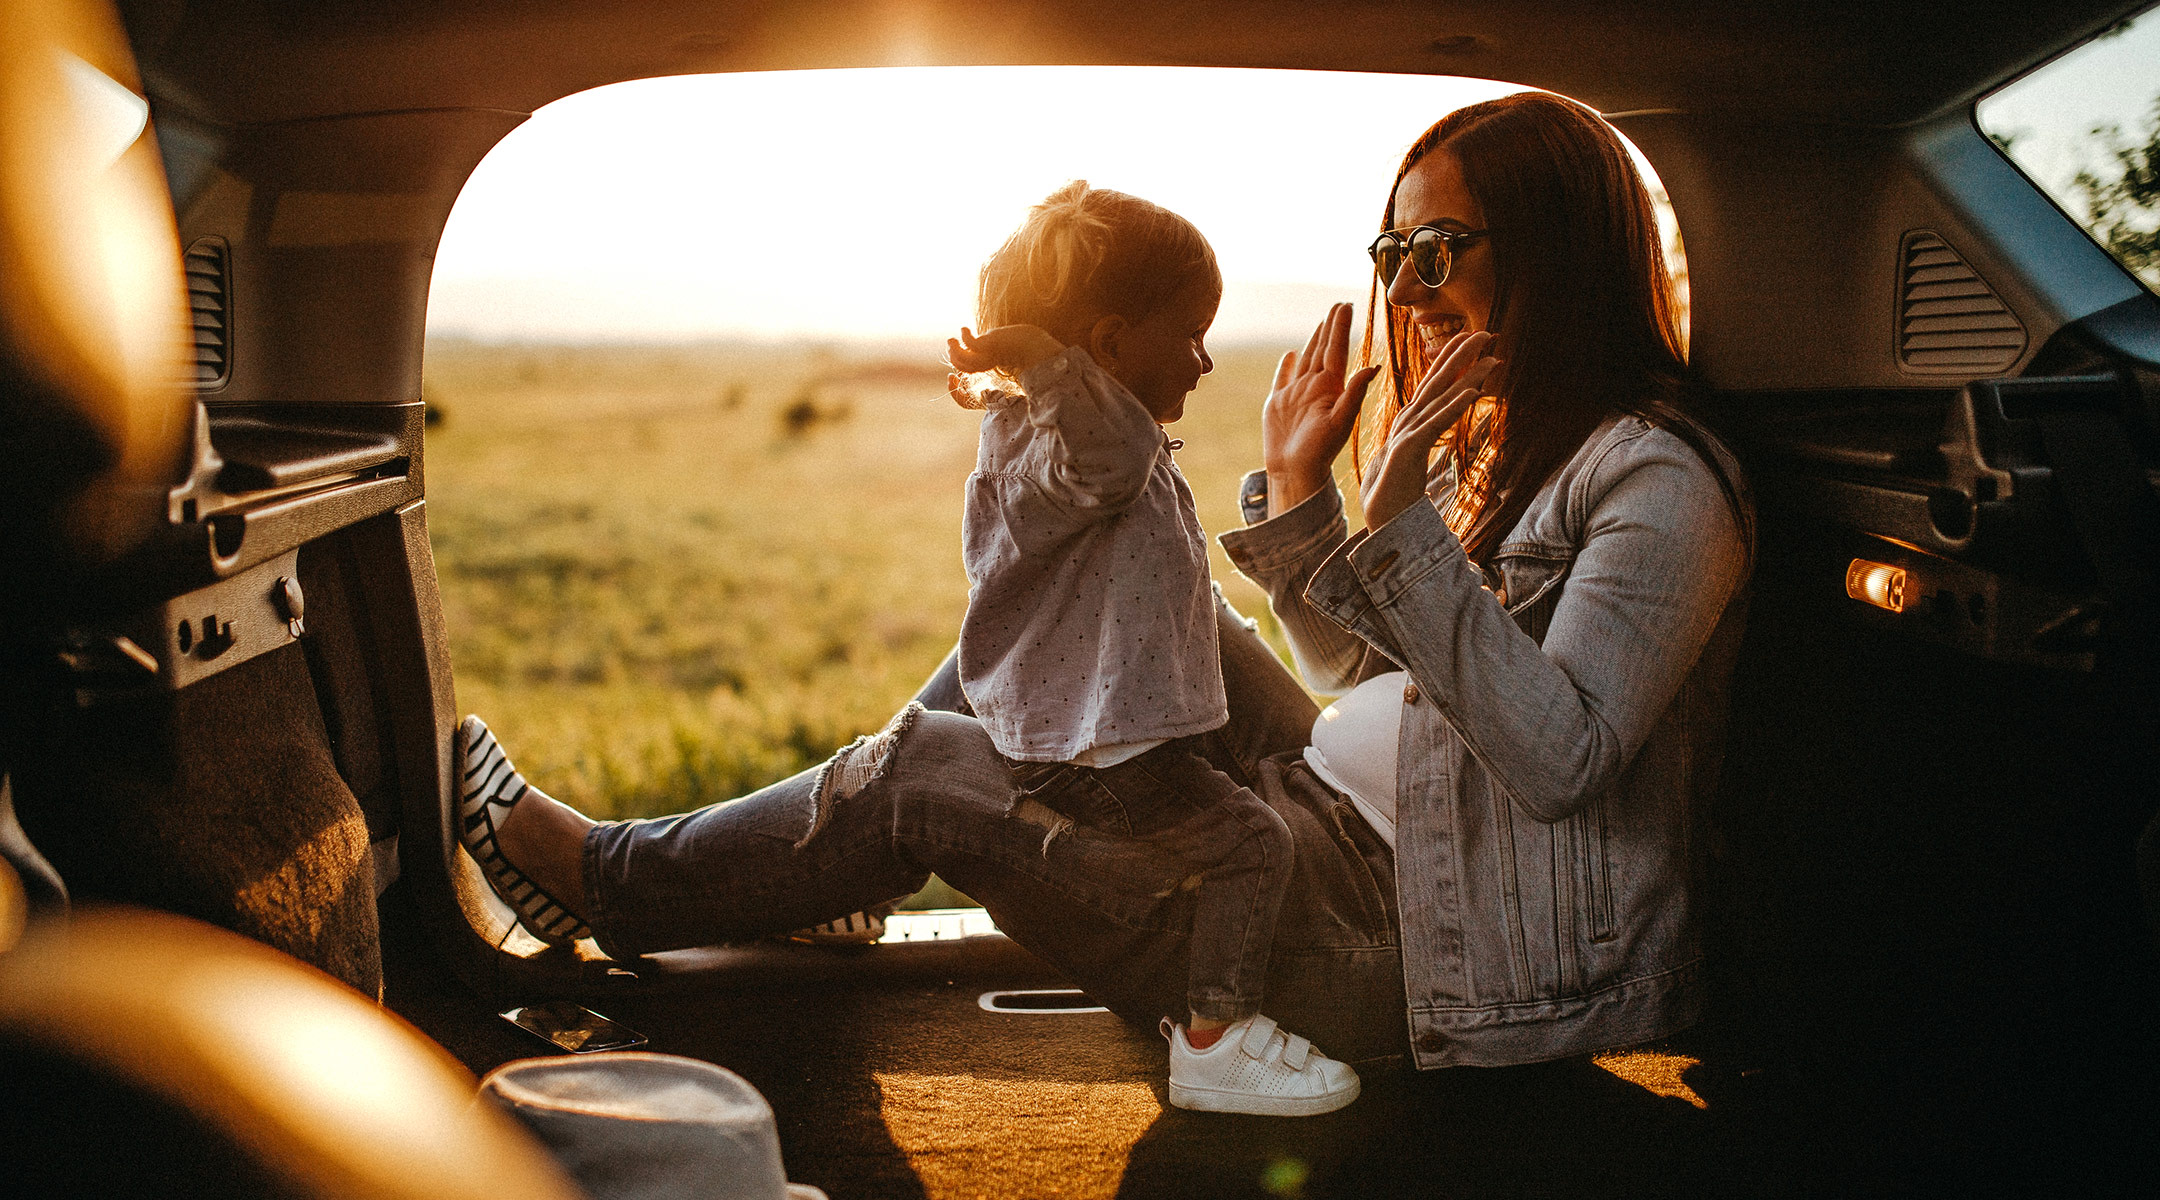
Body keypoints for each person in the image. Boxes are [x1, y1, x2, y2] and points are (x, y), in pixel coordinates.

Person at [454, 89, 1751, 1085]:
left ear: (1559, 253)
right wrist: (1304, 491)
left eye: (1440, 250)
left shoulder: (1659, 480)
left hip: (1399, 947)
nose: (1406, 288)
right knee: (1083, 611)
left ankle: (617, 880)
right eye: (1392, 247)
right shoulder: (1523, 442)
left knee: (923, 773)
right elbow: (1367, 684)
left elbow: (1560, 757)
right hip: (1347, 811)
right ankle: (838, 863)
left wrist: (1398, 517)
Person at [939, 182, 1357, 1114]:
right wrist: (1052, 366)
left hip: (1112, 732)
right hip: (1105, 749)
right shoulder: (1064, 453)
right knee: (1254, 841)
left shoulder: (1077, 442)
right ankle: (1216, 1036)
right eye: (1192, 333)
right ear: (1115, 343)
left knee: (1233, 826)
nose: (1207, 360)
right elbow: (1112, 458)